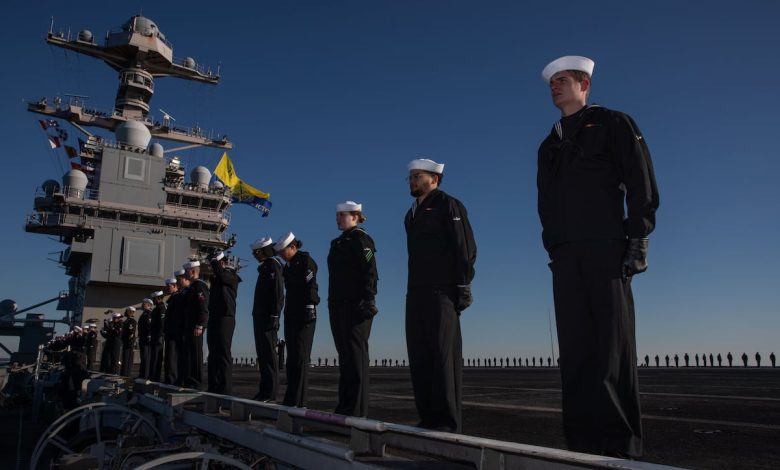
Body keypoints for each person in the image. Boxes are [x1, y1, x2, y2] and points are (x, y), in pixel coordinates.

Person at [537, 55, 659, 458]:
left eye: (564, 80)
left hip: (607, 247)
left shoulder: (612, 123)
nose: (555, 86)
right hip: (566, 257)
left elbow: (640, 178)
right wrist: (553, 244)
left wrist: (638, 237)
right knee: (574, 353)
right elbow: (546, 201)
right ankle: (581, 447)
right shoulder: (549, 143)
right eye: (552, 82)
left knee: (611, 350)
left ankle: (621, 450)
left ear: (585, 85)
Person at [404, 158, 476, 433]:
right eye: (410, 177)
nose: (412, 180)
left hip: (442, 291)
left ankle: (446, 422)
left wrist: (463, 284)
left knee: (443, 357)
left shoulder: (448, 204)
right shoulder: (411, 214)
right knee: (420, 356)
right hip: (416, 291)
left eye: (417, 176)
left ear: (434, 179)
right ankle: (429, 418)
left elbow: (464, 245)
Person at [328, 201, 379, 417]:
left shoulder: (362, 239)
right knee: (345, 356)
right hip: (338, 304)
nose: (338, 218)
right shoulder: (338, 242)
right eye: (337, 214)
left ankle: (357, 410)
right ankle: (346, 406)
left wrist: (369, 299)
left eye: (342, 215)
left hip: (356, 304)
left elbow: (370, 269)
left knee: (356, 356)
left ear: (355, 216)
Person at [275, 232, 320, 407]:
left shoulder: (305, 261)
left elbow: (311, 286)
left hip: (304, 313)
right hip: (292, 313)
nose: (280, 254)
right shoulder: (288, 266)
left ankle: (299, 401)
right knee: (292, 358)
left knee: (300, 357)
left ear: (293, 247)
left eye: (282, 251)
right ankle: (291, 398)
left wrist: (310, 306)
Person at [250, 237, 284, 402]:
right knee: (263, 354)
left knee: (269, 355)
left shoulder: (273, 266)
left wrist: (275, 314)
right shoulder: (266, 267)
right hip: (261, 316)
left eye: (256, 252)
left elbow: (277, 292)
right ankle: (264, 391)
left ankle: (270, 393)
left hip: (268, 317)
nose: (255, 256)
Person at [207, 251, 241, 394]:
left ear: (222, 263)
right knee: (213, 352)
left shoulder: (231, 275)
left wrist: (214, 261)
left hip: (226, 318)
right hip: (215, 317)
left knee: (223, 352)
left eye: (216, 263)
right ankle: (214, 385)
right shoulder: (218, 278)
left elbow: (221, 275)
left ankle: (225, 389)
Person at [180, 260, 209, 389]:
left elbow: (203, 307)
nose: (185, 274)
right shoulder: (192, 287)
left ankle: (196, 382)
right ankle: (189, 380)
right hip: (189, 326)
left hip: (195, 326)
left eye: (186, 272)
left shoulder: (199, 286)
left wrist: (200, 325)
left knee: (196, 354)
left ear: (192, 272)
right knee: (189, 354)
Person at [164, 274, 184, 384]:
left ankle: (172, 379)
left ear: (175, 286)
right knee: (169, 357)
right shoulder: (173, 298)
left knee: (173, 357)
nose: (167, 288)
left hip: (174, 332)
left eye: (169, 286)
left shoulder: (178, 297)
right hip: (170, 332)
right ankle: (169, 378)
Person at [149, 291, 166, 381]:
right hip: (154, 335)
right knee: (153, 357)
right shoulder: (156, 309)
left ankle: (155, 377)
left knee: (156, 357)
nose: (153, 301)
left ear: (158, 298)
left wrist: (160, 335)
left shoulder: (162, 308)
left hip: (158, 336)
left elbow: (162, 324)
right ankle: (152, 375)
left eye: (154, 299)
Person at [137, 298, 154, 379]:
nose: (142, 305)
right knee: (143, 357)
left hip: (147, 338)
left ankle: (145, 375)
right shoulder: (144, 314)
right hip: (142, 338)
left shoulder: (149, 313)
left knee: (146, 357)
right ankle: (142, 374)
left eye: (144, 304)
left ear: (149, 305)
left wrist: (150, 335)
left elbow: (150, 326)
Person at [120, 307, 137, 377]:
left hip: (129, 342)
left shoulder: (131, 321)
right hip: (125, 341)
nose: (125, 312)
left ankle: (126, 374)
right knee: (124, 358)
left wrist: (128, 341)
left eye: (127, 311)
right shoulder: (127, 321)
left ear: (131, 312)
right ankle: (123, 373)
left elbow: (131, 333)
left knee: (127, 359)